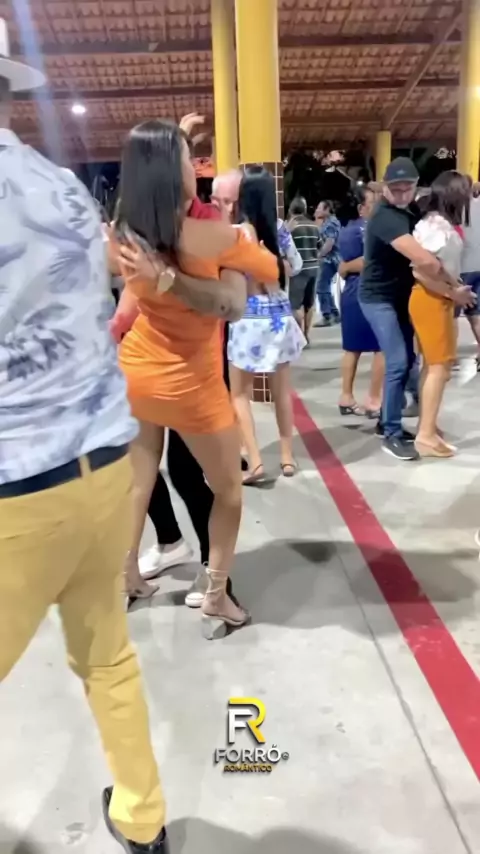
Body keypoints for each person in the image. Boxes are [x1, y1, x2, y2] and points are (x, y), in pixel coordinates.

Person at [0, 37, 167, 854]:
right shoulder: (57, 184)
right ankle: (142, 816)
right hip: (101, 463)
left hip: (16, 489)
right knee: (107, 655)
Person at [115, 120, 279, 638]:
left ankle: (127, 576)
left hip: (136, 373)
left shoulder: (125, 228)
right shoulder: (213, 236)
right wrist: (237, 253)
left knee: (139, 480)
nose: (199, 169)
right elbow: (258, 281)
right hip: (190, 384)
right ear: (174, 171)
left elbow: (131, 293)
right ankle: (216, 595)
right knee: (227, 489)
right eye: (190, 159)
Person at [359, 157, 455, 462]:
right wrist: (452, 279)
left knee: (409, 361)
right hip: (378, 299)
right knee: (398, 362)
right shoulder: (385, 217)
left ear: (415, 186)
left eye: (407, 188)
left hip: (401, 297)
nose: (401, 195)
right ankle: (391, 432)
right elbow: (424, 259)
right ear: (385, 188)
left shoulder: (410, 210)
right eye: (395, 189)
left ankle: (386, 421)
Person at [228, 167, 306, 483]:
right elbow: (297, 265)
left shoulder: (236, 233)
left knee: (238, 393)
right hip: (279, 317)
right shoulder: (280, 229)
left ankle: (256, 461)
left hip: (248, 319)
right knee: (281, 392)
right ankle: (287, 458)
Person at [409, 171, 475, 457]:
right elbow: (420, 271)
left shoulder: (437, 222)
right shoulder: (436, 226)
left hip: (436, 298)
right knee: (439, 367)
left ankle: (428, 426)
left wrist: (454, 288)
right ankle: (425, 435)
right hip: (431, 300)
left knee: (434, 366)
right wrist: (453, 293)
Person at [337, 185, 384, 418]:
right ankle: (374, 401)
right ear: (360, 208)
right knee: (382, 348)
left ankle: (346, 397)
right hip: (371, 292)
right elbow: (372, 260)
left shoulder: (346, 230)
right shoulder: (369, 229)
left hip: (351, 293)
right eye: (372, 203)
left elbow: (346, 264)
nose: (377, 207)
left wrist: (345, 267)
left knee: (352, 348)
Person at [287, 197, 319, 342]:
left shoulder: (291, 227)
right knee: (309, 303)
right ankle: (306, 334)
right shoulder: (314, 226)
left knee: (295, 305)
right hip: (314, 267)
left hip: (298, 269)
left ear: (291, 209)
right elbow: (320, 246)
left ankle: (299, 336)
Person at [459, 180, 480, 370]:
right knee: (476, 313)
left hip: (461, 268)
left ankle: (447, 356)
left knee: (450, 314)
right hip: (479, 265)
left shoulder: (454, 208)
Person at [315, 200, 341, 326]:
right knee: (325, 286)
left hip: (331, 259)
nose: (317, 210)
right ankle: (334, 313)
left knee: (321, 287)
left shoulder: (331, 223)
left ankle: (327, 315)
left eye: (319, 208)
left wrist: (319, 255)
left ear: (327, 210)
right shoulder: (328, 222)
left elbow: (329, 243)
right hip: (331, 258)